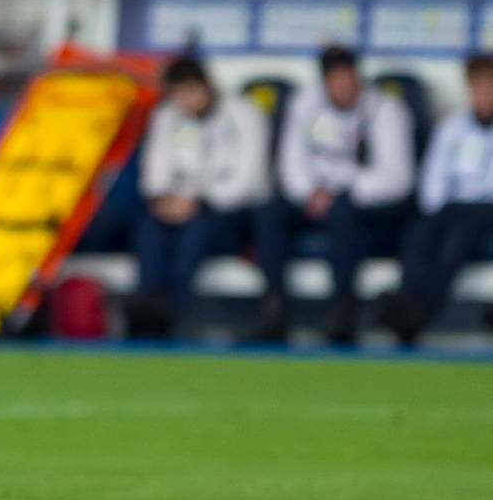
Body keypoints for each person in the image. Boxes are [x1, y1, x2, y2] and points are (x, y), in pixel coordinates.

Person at [254, 45, 416, 345]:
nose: (342, 86)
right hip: (313, 198)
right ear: (325, 80)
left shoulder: (385, 109)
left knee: (343, 212)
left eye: (347, 77)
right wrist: (310, 192)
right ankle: (273, 307)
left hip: (369, 205)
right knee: (270, 212)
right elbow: (290, 164)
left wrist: (344, 190)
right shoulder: (304, 104)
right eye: (334, 79)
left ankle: (344, 309)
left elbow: (398, 179)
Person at [124, 56, 273, 339]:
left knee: (197, 230)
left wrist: (200, 201)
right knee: (149, 226)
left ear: (207, 86)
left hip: (231, 213)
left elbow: (249, 179)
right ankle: (149, 308)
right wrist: (163, 199)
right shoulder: (167, 116)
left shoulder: (244, 113)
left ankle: (176, 314)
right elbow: (154, 172)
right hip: (177, 207)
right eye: (179, 94)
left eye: (191, 92)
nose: (186, 101)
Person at [378, 53, 493, 346]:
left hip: (486, 209)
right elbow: (433, 179)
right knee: (418, 234)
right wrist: (436, 212)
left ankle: (417, 313)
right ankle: (408, 301)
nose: (484, 93)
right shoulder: (452, 128)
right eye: (478, 86)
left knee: (458, 238)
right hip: (450, 208)